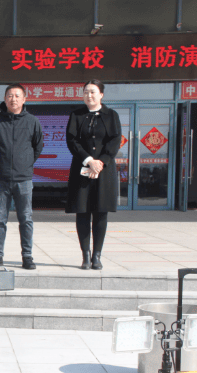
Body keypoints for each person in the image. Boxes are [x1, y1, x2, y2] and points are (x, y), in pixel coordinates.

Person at [0, 83, 43, 271]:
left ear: (24, 99)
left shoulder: (32, 121)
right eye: (10, 95)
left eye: (17, 95)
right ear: (5, 98)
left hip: (23, 180)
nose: (13, 99)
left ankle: (27, 256)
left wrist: (25, 164)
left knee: (26, 219)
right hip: (1, 180)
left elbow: (38, 146)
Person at [65, 80, 121, 270]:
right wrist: (89, 160)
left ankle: (97, 255)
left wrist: (100, 162)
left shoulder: (111, 115)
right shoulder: (76, 115)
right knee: (83, 212)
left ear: (101, 95)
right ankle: (85, 256)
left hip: (104, 172)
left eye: (93, 92)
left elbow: (114, 141)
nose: (89, 95)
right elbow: (72, 141)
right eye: (86, 92)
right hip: (82, 169)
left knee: (100, 212)